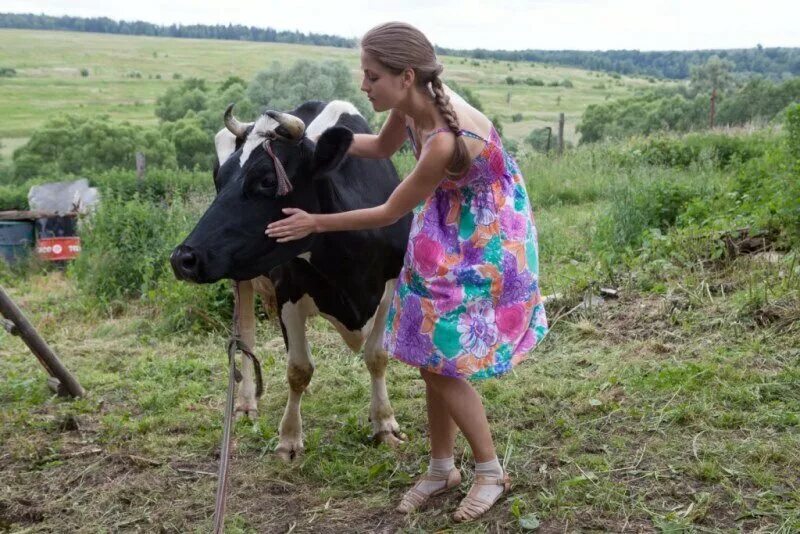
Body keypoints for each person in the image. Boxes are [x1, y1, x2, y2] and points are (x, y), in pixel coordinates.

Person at [266, 21, 548, 522]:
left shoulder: (444, 137)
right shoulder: (408, 105)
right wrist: (313, 141)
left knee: (444, 363)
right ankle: (442, 467)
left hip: (485, 233)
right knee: (426, 351)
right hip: (445, 219)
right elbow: (376, 148)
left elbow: (388, 212)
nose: (362, 85)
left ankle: (489, 471)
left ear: (407, 75)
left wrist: (315, 223)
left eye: (371, 76)